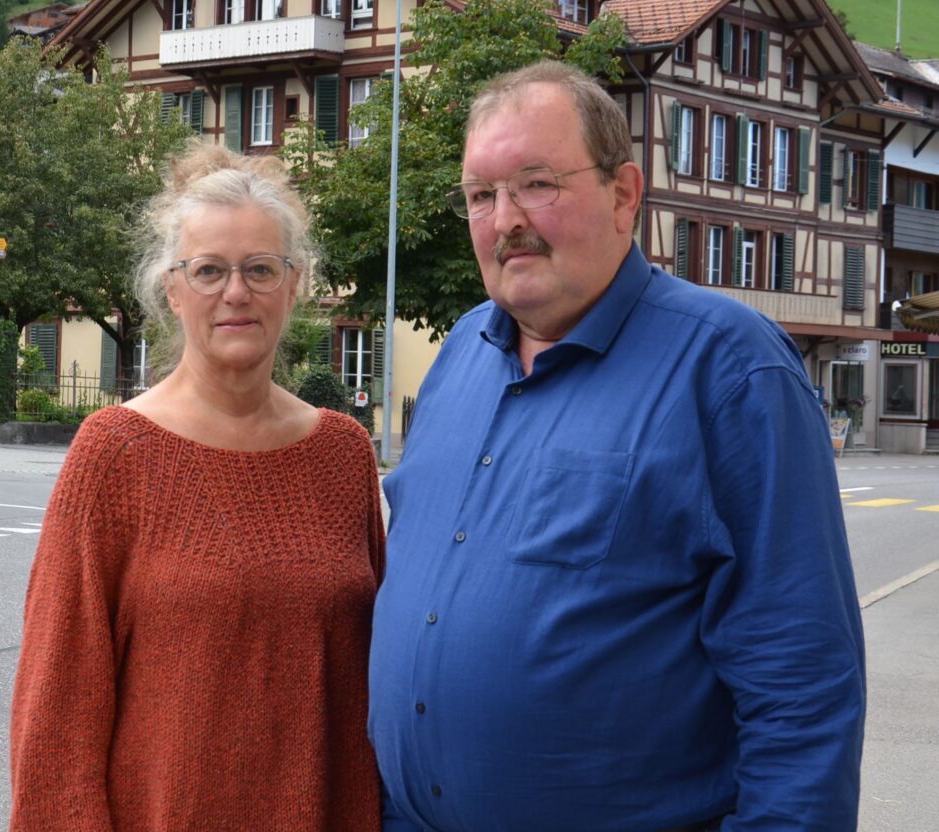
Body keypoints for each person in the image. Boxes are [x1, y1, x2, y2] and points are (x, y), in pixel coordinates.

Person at [368, 61, 865, 832]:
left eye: (537, 184)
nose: (505, 221)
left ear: (625, 194)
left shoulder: (731, 370)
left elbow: (801, 685)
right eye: (481, 195)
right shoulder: (460, 353)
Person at [9, 145, 385, 832]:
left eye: (260, 269)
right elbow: (56, 712)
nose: (235, 293)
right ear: (172, 288)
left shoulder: (343, 453)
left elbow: (382, 676)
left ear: (295, 284)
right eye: (209, 270)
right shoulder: (114, 453)